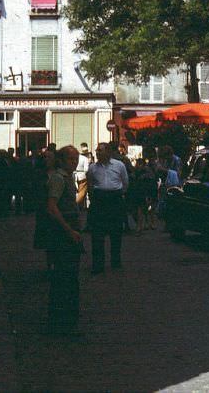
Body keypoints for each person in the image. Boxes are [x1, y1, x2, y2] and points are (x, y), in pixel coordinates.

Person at [45, 145, 84, 336]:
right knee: (64, 279)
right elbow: (52, 207)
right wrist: (69, 230)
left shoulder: (68, 178)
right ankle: (61, 324)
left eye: (76, 159)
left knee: (69, 279)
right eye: (71, 159)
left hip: (70, 231)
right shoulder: (58, 179)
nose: (74, 162)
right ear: (61, 160)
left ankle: (66, 322)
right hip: (63, 234)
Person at [87, 142, 129, 274]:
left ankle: (115, 260)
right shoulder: (93, 168)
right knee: (97, 234)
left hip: (114, 200)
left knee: (116, 232)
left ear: (108, 152)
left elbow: (125, 182)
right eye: (97, 150)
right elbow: (90, 184)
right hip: (99, 201)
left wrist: (118, 194)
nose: (97, 153)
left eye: (100, 150)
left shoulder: (119, 165)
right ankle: (98, 264)